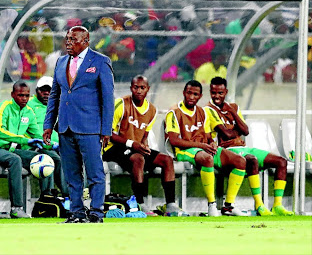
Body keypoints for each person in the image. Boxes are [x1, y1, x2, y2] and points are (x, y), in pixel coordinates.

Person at [43, 25, 115, 223]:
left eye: (73, 39)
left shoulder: (100, 61)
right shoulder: (61, 62)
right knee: (72, 175)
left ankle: (96, 212)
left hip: (90, 128)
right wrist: (48, 124)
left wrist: (106, 129)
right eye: (67, 38)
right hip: (65, 127)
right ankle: (76, 213)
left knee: (94, 173)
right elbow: (54, 96)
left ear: (86, 41)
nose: (68, 42)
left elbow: (108, 99)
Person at [206, 77, 294, 216]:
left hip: (243, 146)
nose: (216, 96)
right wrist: (237, 130)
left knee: (281, 161)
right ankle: (259, 205)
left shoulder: (233, 107)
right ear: (210, 92)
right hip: (227, 150)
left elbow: (246, 131)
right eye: (213, 92)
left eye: (220, 93)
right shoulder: (208, 110)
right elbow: (227, 134)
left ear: (226, 92)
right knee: (251, 160)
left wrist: (232, 112)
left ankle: (277, 205)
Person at [103, 75, 187, 216]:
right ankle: (140, 204)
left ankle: (171, 205)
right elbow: (108, 133)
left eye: (142, 88)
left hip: (134, 147)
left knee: (166, 160)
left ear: (148, 89)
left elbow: (144, 136)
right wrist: (132, 144)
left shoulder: (152, 110)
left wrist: (144, 145)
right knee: (138, 159)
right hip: (113, 148)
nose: (139, 91)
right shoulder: (121, 104)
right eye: (136, 87)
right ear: (131, 88)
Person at [165, 80, 247, 217]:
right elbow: (174, 140)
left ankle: (229, 206)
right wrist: (202, 145)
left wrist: (212, 143)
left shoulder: (203, 112)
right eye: (189, 93)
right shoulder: (174, 112)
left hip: (203, 149)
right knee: (207, 158)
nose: (191, 97)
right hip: (184, 151)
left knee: (240, 161)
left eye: (195, 94)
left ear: (200, 96)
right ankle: (212, 205)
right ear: (184, 93)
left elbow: (208, 136)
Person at [0, 80, 55, 218]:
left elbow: (38, 135)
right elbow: (0, 132)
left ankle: (46, 201)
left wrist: (51, 143)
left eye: (27, 95)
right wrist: (25, 140)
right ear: (12, 94)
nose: (24, 99)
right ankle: (16, 208)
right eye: (21, 95)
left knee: (44, 159)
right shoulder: (3, 107)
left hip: (10, 150)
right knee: (15, 160)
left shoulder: (28, 112)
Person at [26, 76, 67, 195]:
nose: (46, 93)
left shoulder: (59, 105)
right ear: (37, 91)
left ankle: (74, 197)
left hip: (58, 145)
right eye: (42, 90)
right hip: (38, 146)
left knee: (74, 158)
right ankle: (49, 196)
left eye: (49, 90)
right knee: (53, 159)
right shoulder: (29, 105)